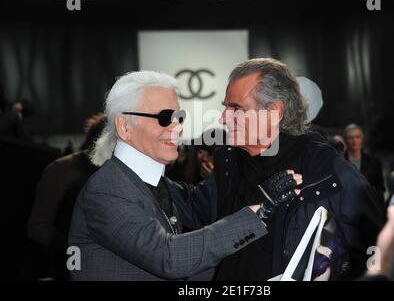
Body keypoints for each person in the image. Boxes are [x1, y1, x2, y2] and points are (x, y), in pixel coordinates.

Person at [68, 71, 302, 281]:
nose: (177, 127)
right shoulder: (108, 190)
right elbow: (170, 258)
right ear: (124, 126)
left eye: (179, 117)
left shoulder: (157, 186)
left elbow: (204, 217)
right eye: (163, 117)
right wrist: (256, 213)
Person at [211, 58, 385, 280]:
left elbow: (375, 258)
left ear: (274, 112)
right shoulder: (228, 164)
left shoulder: (331, 173)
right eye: (226, 107)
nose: (224, 118)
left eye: (236, 108)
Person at [27, 113, 106, 280]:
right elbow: (38, 227)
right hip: (70, 269)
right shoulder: (61, 170)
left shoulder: (122, 172)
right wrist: (77, 246)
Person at [343, 123, 386, 204]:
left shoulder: (374, 163)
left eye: (357, 137)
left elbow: (380, 189)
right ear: (345, 140)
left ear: (362, 138)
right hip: (346, 207)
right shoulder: (339, 162)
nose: (354, 141)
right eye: (351, 138)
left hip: (369, 207)